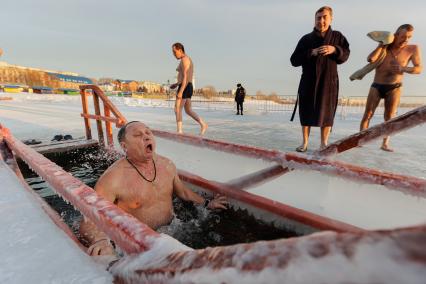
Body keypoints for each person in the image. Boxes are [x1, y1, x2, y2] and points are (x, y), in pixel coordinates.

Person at [80, 121, 228, 256]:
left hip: (174, 232)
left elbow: (182, 192)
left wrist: (207, 203)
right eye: (138, 135)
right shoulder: (113, 178)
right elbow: (89, 217)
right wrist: (99, 240)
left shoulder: (167, 165)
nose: (146, 137)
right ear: (125, 146)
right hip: (139, 246)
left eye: (148, 133)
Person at [290, 6, 350, 152]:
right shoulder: (306, 39)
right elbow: (294, 60)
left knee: (327, 113)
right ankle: (304, 143)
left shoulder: (338, 37)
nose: (321, 21)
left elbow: (346, 54)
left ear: (331, 19)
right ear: (315, 19)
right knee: (306, 112)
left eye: (324, 17)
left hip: (328, 82)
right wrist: (312, 52)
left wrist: (335, 49)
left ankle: (324, 143)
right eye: (318, 17)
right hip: (308, 81)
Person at [359, 24, 422, 152]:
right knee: (368, 114)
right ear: (396, 35)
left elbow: (419, 68)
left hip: (395, 86)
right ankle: (361, 139)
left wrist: (403, 68)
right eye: (403, 36)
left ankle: (385, 143)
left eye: (409, 37)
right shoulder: (385, 46)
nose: (405, 39)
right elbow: (371, 59)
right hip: (377, 85)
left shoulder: (413, 49)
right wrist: (381, 44)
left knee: (389, 116)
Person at [169, 42, 208, 135]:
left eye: (175, 52)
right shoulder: (184, 59)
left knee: (177, 108)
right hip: (186, 85)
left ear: (180, 50)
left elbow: (186, 77)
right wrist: (176, 84)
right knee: (188, 110)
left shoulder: (185, 60)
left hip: (185, 86)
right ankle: (203, 124)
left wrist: (181, 91)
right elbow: (183, 76)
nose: (173, 54)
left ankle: (179, 131)